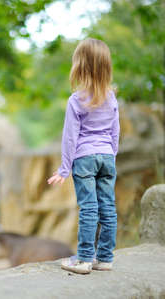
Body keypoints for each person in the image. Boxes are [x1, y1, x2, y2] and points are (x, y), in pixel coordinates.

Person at [47, 38, 120, 275]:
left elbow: (70, 137)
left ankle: (84, 259)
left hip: (85, 159)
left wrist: (64, 168)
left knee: (89, 208)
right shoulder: (111, 98)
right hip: (107, 157)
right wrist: (111, 156)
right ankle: (105, 258)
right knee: (108, 208)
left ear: (79, 67)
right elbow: (114, 132)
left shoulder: (76, 100)